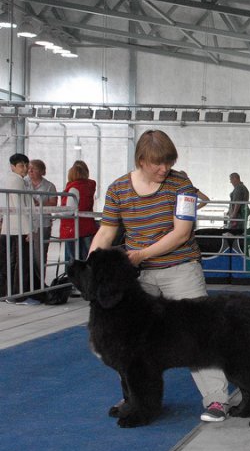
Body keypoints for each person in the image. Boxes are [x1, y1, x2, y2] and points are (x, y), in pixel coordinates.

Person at [89, 129, 230, 422]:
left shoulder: (182, 184)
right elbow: (106, 231)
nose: (164, 169)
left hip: (180, 268)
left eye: (168, 162)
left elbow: (181, 233)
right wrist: (92, 269)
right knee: (128, 343)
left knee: (198, 334)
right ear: (141, 160)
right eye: (157, 163)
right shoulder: (118, 189)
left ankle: (217, 400)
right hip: (137, 279)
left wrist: (140, 255)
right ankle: (135, 399)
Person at [2, 153, 40, 303]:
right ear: (12, 167)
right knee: (21, 262)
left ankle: (9, 293)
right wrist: (28, 230)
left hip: (11, 227)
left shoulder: (14, 180)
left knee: (11, 262)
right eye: (21, 165)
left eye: (26, 165)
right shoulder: (16, 181)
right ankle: (18, 295)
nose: (24, 168)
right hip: (18, 228)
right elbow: (20, 207)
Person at [59, 161, 98, 262]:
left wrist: (58, 212)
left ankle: (73, 278)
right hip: (88, 227)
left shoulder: (73, 188)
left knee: (73, 260)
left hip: (73, 228)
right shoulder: (90, 186)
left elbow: (69, 210)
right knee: (88, 259)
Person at [26, 159, 58, 280]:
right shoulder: (24, 183)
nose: (30, 171)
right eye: (29, 168)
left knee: (39, 255)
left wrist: (38, 203)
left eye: (34, 168)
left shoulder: (49, 186)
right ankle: (26, 283)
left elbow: (53, 204)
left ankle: (39, 283)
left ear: (42, 171)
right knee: (25, 255)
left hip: (42, 224)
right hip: (25, 223)